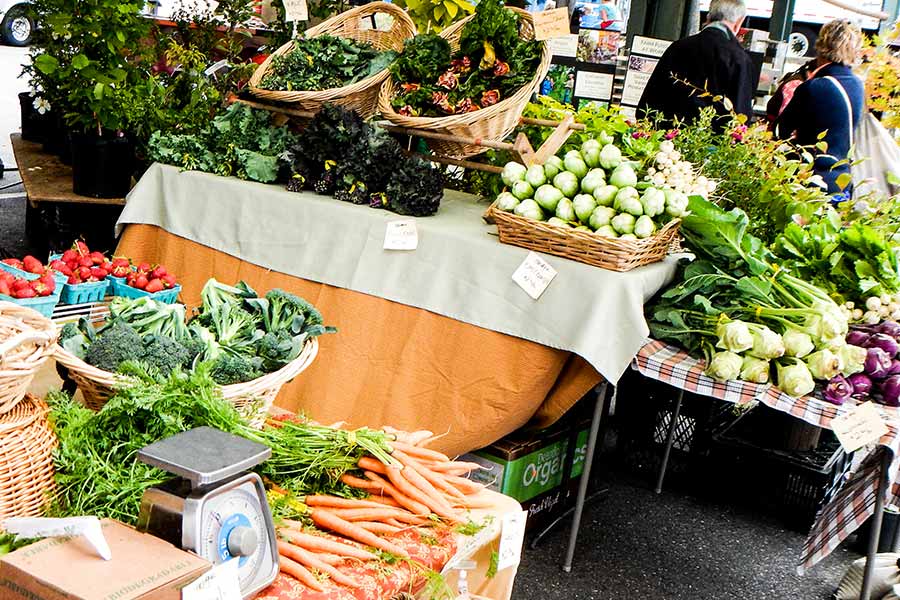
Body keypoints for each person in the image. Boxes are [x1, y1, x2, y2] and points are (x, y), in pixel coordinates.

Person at [775, 19, 865, 199]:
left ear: (822, 44)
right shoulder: (857, 85)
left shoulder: (814, 87)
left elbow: (780, 131)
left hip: (811, 178)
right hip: (842, 180)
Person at [637, 0, 755, 124]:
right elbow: (740, 115)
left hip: (666, 137)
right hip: (711, 140)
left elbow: (649, 102)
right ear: (739, 22)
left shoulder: (678, 47)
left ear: (708, 17)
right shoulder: (739, 58)